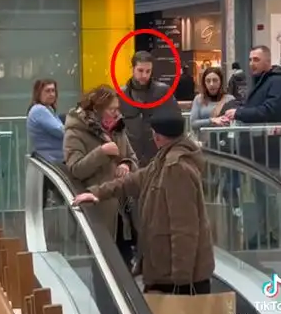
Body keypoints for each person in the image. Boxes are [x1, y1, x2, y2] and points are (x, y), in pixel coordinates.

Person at [73, 112, 215, 295]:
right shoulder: (163, 161)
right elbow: (131, 181)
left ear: (158, 136)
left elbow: (184, 228)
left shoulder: (177, 168)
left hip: (175, 278)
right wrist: (96, 193)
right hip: (163, 270)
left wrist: (181, 280)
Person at [222, 46, 281, 248]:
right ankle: (265, 233)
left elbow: (270, 111)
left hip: (268, 149)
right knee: (261, 195)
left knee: (271, 195)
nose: (251, 63)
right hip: (257, 149)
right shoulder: (264, 81)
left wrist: (239, 114)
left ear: (267, 61)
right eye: (250, 59)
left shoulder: (278, 82)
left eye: (256, 59)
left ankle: (276, 235)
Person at [63, 85, 139, 267]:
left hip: (123, 208)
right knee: (103, 267)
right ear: (97, 109)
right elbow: (75, 168)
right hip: (99, 208)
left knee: (125, 262)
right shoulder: (75, 131)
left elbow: (132, 157)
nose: (116, 114)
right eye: (111, 110)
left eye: (117, 109)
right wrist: (101, 152)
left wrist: (126, 164)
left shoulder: (118, 129)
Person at [120, 50, 182, 168]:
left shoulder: (163, 91)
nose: (144, 75)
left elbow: (176, 120)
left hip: (158, 154)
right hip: (130, 157)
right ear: (132, 69)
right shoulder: (121, 95)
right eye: (140, 70)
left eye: (148, 71)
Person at [189, 66, 235, 136]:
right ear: (204, 83)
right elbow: (193, 123)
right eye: (208, 81)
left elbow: (233, 123)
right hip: (203, 143)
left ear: (221, 82)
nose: (211, 84)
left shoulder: (230, 99)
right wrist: (211, 120)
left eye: (215, 80)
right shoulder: (198, 99)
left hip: (224, 142)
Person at [27, 79, 63, 163]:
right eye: (47, 91)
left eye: (53, 91)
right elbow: (60, 131)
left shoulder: (48, 109)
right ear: (38, 93)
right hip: (51, 160)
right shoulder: (39, 110)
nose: (51, 94)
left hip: (54, 157)